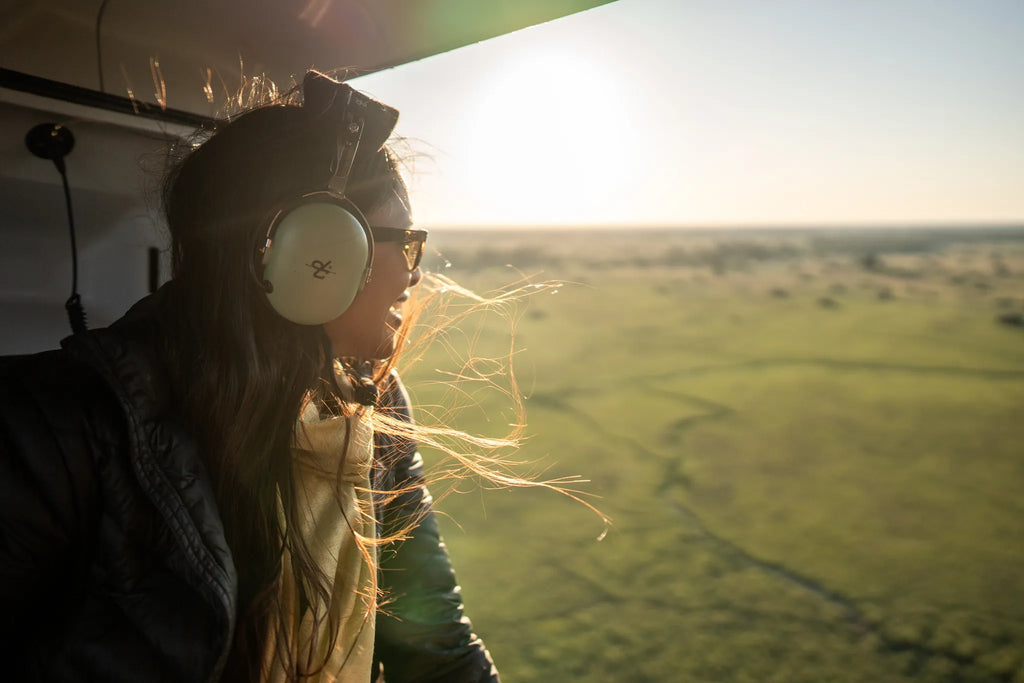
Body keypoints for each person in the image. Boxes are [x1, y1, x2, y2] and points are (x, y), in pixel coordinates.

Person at [0, 71, 499, 682]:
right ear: (321, 254)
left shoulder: (378, 407)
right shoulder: (56, 426)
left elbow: (438, 651)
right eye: (408, 242)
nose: (415, 276)